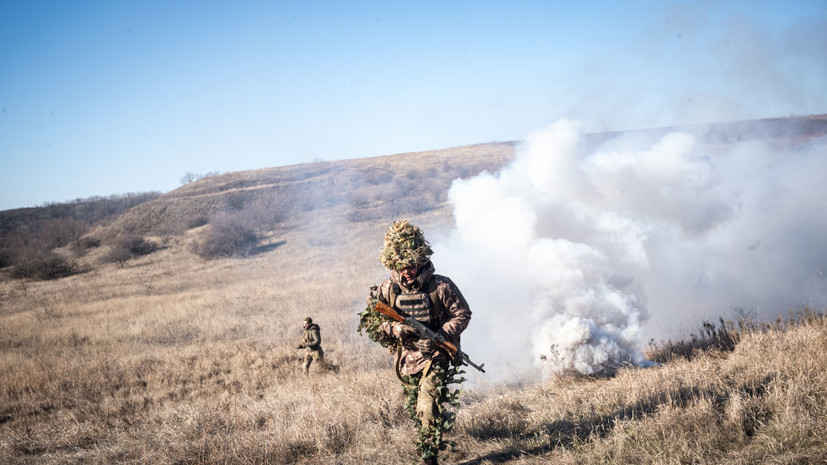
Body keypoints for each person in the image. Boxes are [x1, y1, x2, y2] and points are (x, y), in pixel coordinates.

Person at [363, 219, 472, 465]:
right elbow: (372, 322)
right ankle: (429, 442)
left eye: (411, 266)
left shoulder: (441, 286)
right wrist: (394, 328)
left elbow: (462, 314)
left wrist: (440, 336)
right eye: (401, 267)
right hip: (406, 359)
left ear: (421, 261)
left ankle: (429, 458)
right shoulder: (388, 289)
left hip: (436, 355)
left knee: (428, 405)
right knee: (415, 409)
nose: (407, 272)